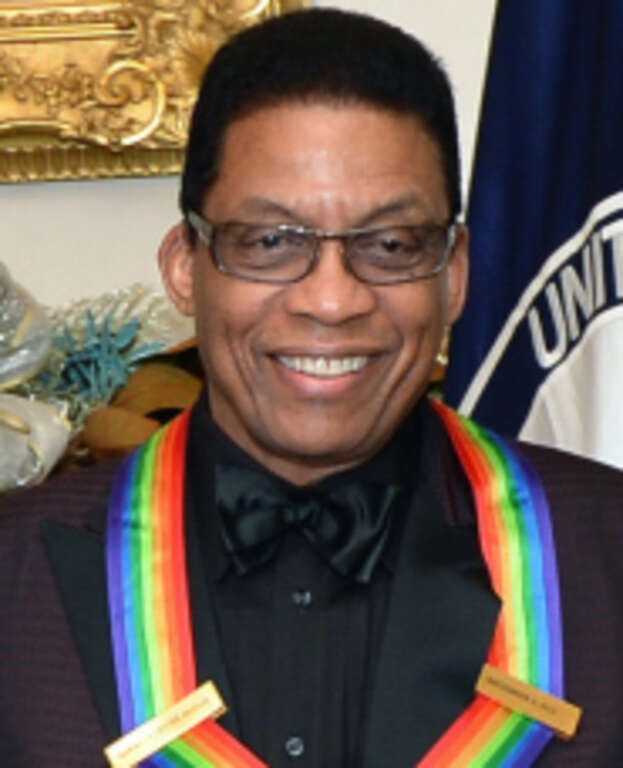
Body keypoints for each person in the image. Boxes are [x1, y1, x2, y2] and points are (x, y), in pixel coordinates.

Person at [1, 8, 623, 768]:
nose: (332, 301)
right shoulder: (13, 571)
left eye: (391, 245)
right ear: (183, 266)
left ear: (454, 273)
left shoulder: (605, 551)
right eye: (270, 242)